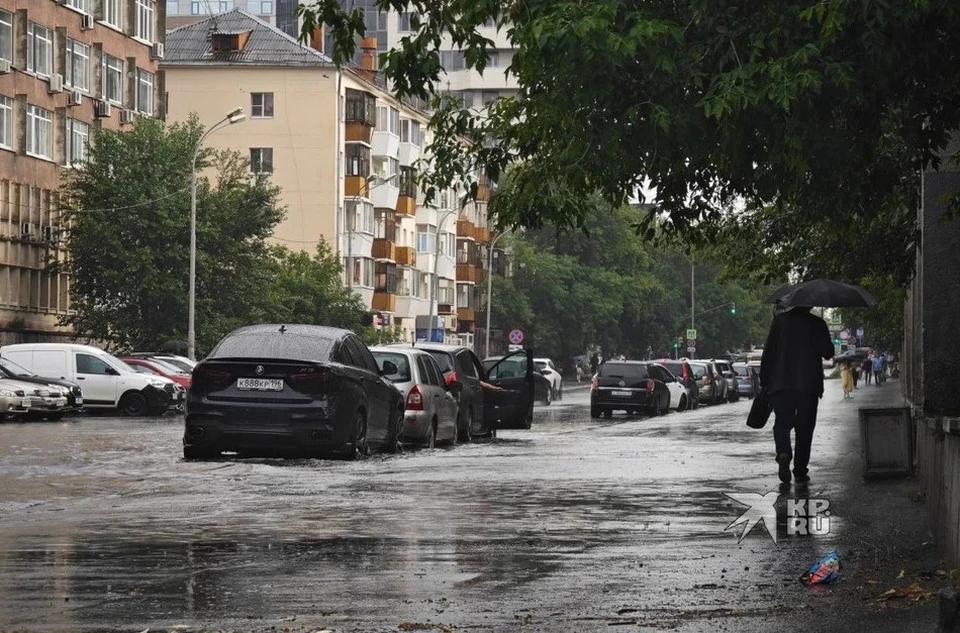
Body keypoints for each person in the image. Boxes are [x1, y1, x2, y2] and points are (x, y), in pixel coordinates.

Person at [759, 305, 835, 484]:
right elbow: (828, 353)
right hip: (808, 386)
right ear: (809, 305)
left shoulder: (780, 321)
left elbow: (769, 352)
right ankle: (800, 469)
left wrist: (765, 380)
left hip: (780, 384)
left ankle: (784, 452)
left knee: (782, 424)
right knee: (805, 428)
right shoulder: (817, 323)